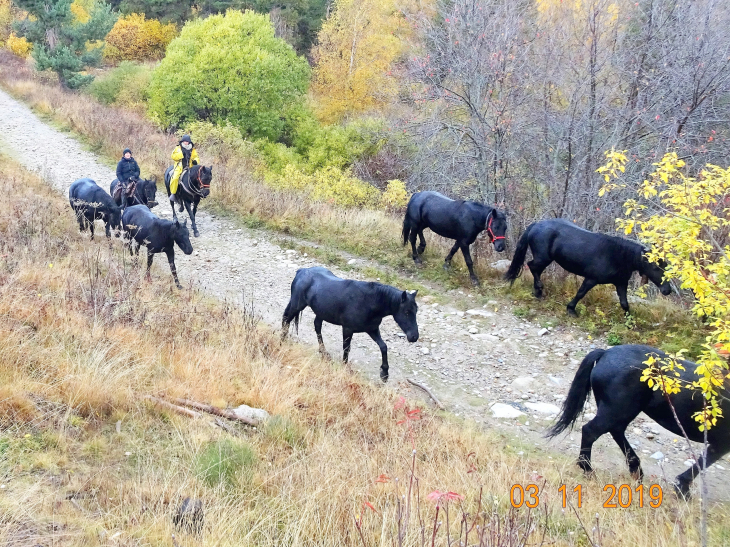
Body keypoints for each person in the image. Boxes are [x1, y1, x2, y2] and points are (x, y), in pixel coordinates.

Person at [169, 134, 199, 207]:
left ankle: (197, 193)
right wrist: (181, 154)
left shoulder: (193, 149)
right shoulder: (178, 148)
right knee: (175, 178)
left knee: (197, 178)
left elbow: (196, 157)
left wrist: (195, 161)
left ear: (189, 142)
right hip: (180, 167)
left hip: (190, 167)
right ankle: (173, 193)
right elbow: (173, 157)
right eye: (185, 141)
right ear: (182, 141)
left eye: (187, 141)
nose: (186, 143)